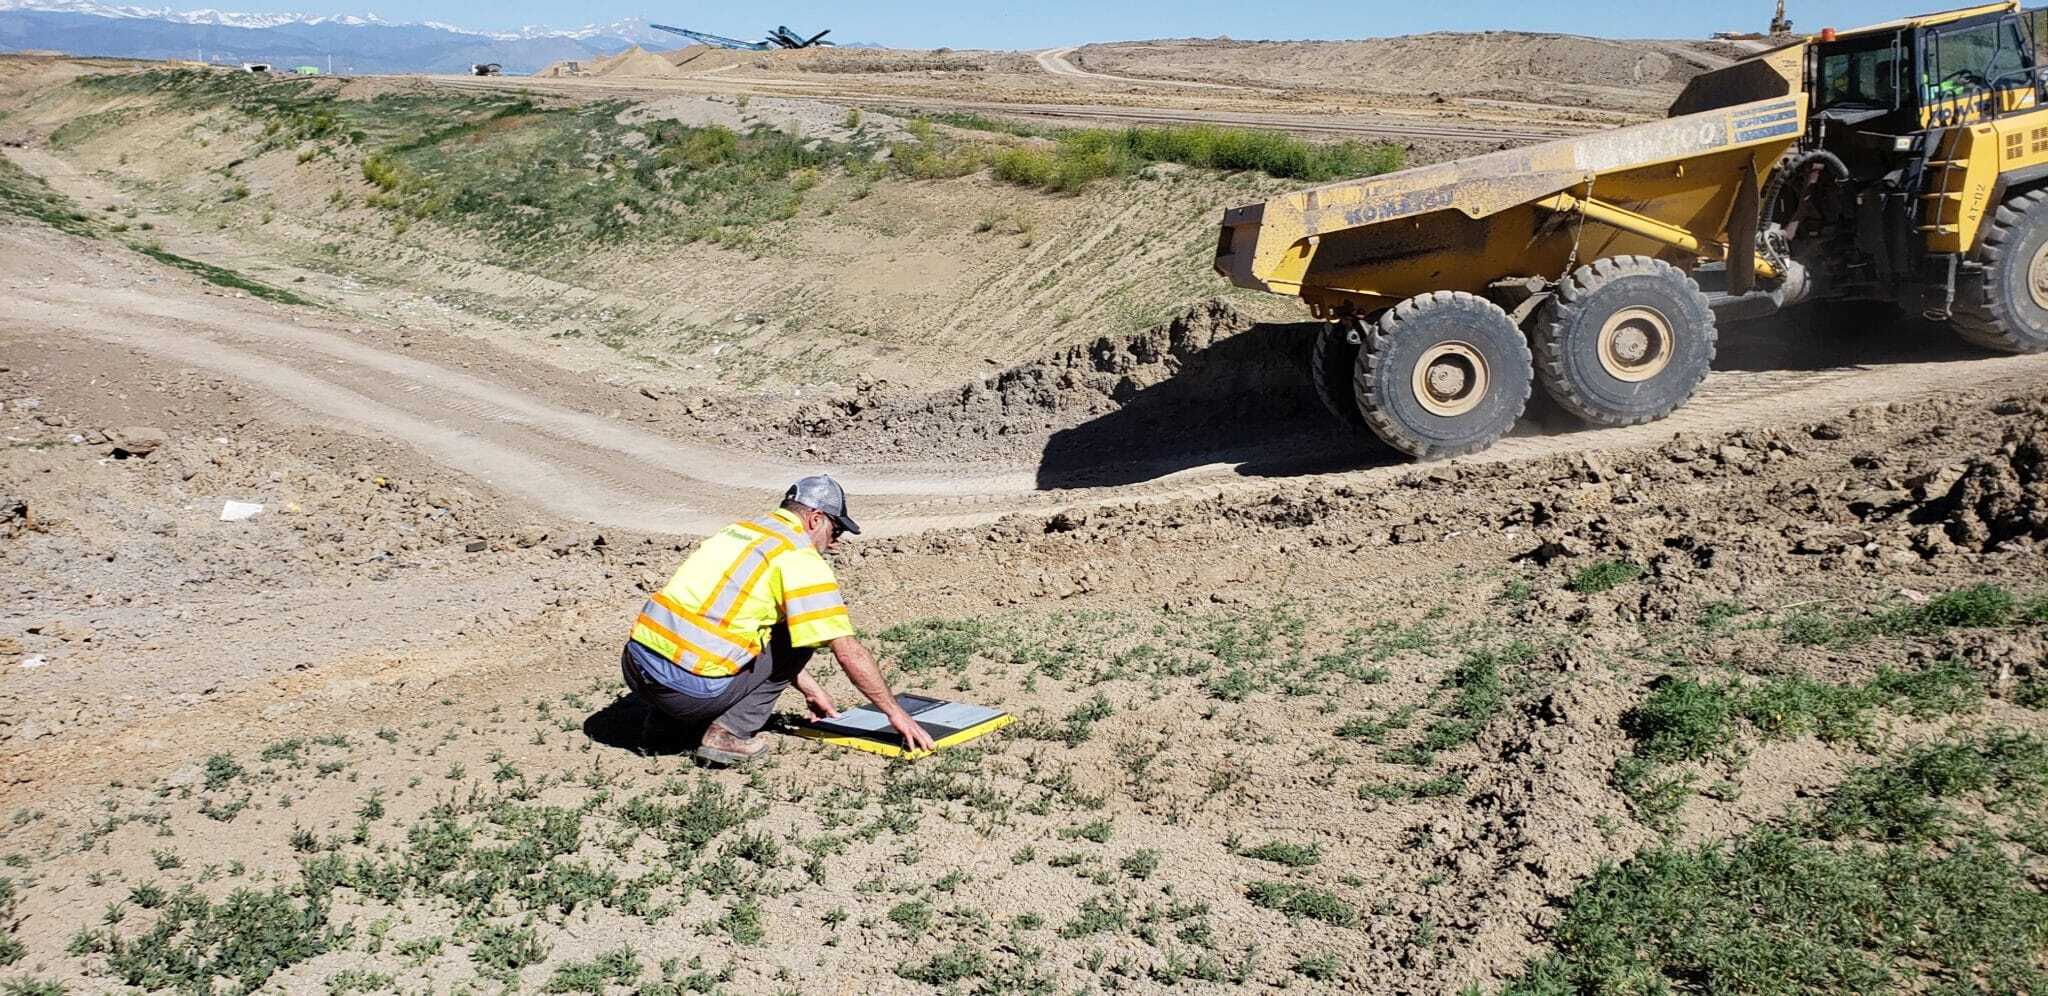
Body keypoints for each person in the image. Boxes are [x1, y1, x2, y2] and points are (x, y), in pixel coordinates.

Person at [620, 475, 936, 765]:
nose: (835, 543)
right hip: (689, 691)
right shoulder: (799, 556)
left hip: (635, 668)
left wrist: (810, 690)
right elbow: (847, 650)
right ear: (815, 519)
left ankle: (666, 723)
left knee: (763, 628)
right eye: (835, 531)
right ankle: (727, 735)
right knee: (800, 637)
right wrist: (896, 714)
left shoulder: (740, 532)